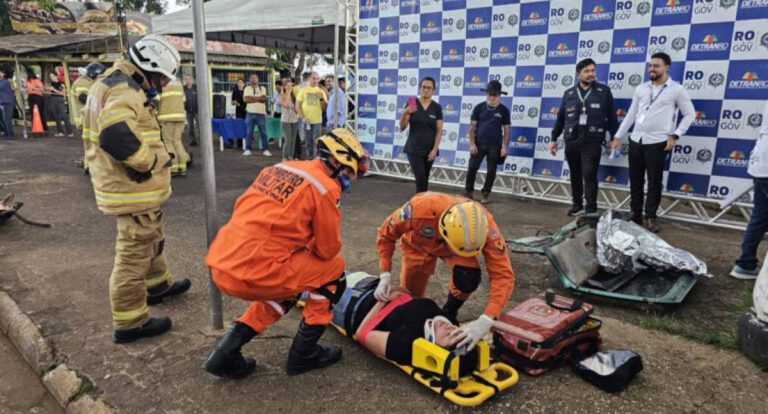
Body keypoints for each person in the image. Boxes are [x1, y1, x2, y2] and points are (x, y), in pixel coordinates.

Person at [202, 129, 366, 379]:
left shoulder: (281, 167)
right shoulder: (325, 187)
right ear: (335, 161)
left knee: (292, 282)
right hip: (256, 271)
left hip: (223, 262)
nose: (348, 179)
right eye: (348, 171)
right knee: (333, 270)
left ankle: (225, 352)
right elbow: (327, 249)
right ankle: (304, 353)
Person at [82, 34, 191, 344]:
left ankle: (158, 286)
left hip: (130, 188)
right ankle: (131, 322)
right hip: (131, 188)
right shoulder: (123, 90)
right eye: (160, 78)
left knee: (150, 237)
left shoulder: (114, 82)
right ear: (148, 67)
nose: (159, 85)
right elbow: (116, 136)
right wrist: (151, 161)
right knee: (132, 255)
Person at [375, 192, 515, 351]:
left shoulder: (488, 227)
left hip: (456, 251)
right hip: (418, 245)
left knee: (468, 276)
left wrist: (488, 318)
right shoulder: (419, 210)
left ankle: (449, 311)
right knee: (411, 296)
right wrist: (385, 274)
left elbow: (503, 274)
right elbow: (386, 234)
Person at [611, 52, 695, 232]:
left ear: (666, 67)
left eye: (656, 66)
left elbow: (690, 114)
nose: (652, 69)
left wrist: (676, 135)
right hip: (636, 140)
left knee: (654, 182)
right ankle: (635, 214)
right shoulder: (641, 88)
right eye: (650, 66)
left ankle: (650, 217)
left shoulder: (677, 90)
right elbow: (632, 114)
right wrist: (618, 136)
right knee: (635, 180)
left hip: (658, 142)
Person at [335, 273, 479, 374]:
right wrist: (399, 292)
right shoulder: (444, 322)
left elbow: (362, 334)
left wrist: (384, 300)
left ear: (438, 349)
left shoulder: (406, 345)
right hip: (369, 283)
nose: (449, 327)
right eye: (456, 331)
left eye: (448, 335)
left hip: (349, 305)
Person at [551, 58, 619, 216]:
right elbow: (561, 118)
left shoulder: (604, 91)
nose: (591, 74)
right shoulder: (569, 93)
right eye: (587, 71)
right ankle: (577, 205)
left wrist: (614, 137)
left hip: (592, 140)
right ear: (578, 74)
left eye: (593, 70)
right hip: (572, 140)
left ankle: (591, 209)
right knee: (575, 175)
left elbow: (611, 116)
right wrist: (554, 138)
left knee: (589, 174)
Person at [731, 100, 768, 280]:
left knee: (760, 216)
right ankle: (745, 263)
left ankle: (745, 263)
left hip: (761, 163)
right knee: (760, 217)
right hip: (765, 164)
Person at [464, 80, 511, 204]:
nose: (492, 97)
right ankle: (468, 193)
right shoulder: (479, 108)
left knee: (491, 171)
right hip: (478, 144)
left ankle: (485, 194)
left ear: (499, 96)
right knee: (472, 168)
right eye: (490, 94)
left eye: (495, 95)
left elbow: (507, 130)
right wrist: (472, 144)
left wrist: (505, 147)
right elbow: (472, 127)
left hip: (495, 146)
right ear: (487, 95)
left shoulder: (504, 110)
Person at [400, 77, 443, 193]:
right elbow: (402, 127)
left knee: (425, 179)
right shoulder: (412, 102)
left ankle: (422, 203)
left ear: (433, 90)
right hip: (414, 149)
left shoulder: (437, 108)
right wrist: (405, 112)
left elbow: (439, 131)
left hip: (429, 151)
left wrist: (435, 149)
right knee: (420, 179)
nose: (426, 90)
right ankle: (419, 206)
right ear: (419, 88)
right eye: (423, 87)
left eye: (429, 88)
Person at [71, 62, 106, 172]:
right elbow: (83, 97)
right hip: (85, 118)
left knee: (90, 143)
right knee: (92, 142)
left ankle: (89, 165)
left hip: (87, 118)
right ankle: (91, 166)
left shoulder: (87, 81)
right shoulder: (83, 82)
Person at [156, 78, 189, 177]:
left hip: (166, 118)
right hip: (180, 117)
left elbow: (157, 100)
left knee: (168, 142)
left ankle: (173, 168)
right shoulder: (178, 83)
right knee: (177, 141)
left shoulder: (161, 82)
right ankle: (182, 167)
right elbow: (184, 100)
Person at [296, 72, 327, 158]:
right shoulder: (303, 90)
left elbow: (324, 108)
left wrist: (321, 98)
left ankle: (316, 159)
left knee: (316, 141)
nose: (315, 80)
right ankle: (309, 158)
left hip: (317, 121)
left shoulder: (321, 91)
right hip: (307, 121)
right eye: (313, 78)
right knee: (308, 141)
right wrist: (302, 117)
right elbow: (297, 105)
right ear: (309, 79)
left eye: (317, 79)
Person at [243, 73, 270, 157]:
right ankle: (248, 149)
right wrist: (258, 98)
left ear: (258, 80)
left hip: (261, 114)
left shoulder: (263, 88)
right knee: (249, 132)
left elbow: (263, 99)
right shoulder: (247, 88)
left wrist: (251, 98)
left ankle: (265, 149)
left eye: (255, 78)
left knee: (263, 133)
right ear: (250, 80)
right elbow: (245, 99)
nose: (254, 80)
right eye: (252, 78)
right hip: (250, 113)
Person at [46, 72, 73, 137]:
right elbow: (50, 92)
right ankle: (60, 132)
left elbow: (63, 94)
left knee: (64, 116)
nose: (51, 78)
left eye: (53, 76)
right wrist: (48, 90)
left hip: (60, 100)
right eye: (50, 77)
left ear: (57, 76)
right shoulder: (51, 84)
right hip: (52, 99)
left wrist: (54, 90)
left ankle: (70, 132)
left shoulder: (62, 84)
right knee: (56, 116)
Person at [279, 79, 300, 161]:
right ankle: (285, 156)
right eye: (287, 86)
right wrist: (288, 93)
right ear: (284, 87)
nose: (289, 87)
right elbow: (285, 104)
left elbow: (297, 108)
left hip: (294, 120)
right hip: (285, 121)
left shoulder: (295, 96)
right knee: (288, 139)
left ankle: (290, 156)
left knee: (293, 139)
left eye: (291, 86)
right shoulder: (282, 95)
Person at [0, 69, 16, 138]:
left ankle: (10, 134)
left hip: (8, 102)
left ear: (3, 74)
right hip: (4, 102)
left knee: (7, 118)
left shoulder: (5, 81)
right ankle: (7, 133)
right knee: (5, 119)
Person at [183, 75, 198, 147]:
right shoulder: (183, 88)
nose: (188, 81)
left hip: (197, 111)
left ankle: (203, 140)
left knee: (200, 126)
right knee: (190, 127)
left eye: (189, 79)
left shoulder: (196, 88)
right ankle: (193, 141)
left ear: (192, 80)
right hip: (188, 111)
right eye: (186, 79)